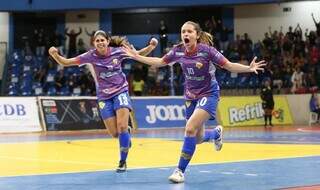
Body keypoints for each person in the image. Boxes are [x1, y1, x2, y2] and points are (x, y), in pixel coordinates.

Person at [122, 21, 265, 183]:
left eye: (189, 31)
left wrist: (248, 68)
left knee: (189, 128)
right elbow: (160, 62)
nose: (185, 35)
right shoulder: (178, 51)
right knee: (197, 138)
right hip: (191, 96)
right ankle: (215, 134)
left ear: (197, 35)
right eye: (183, 32)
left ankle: (179, 171)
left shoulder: (207, 51)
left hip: (209, 94)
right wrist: (136, 56)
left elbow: (229, 66)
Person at [48, 30, 158, 172]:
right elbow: (66, 62)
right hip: (104, 97)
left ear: (107, 41)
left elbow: (137, 55)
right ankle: (126, 133)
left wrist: (150, 47)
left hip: (120, 91)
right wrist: (54, 54)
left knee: (122, 127)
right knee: (114, 134)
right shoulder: (90, 56)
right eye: (97, 41)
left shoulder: (118, 51)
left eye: (102, 40)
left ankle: (122, 161)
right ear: (94, 43)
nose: (100, 42)